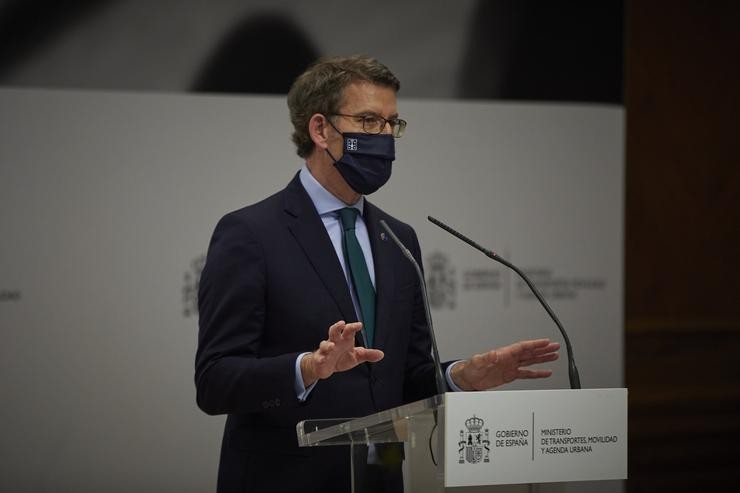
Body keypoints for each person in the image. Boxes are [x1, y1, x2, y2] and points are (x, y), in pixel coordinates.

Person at [195, 55, 559, 493]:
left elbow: (402, 379)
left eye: (392, 124)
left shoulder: (397, 238)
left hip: (379, 477)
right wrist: (306, 368)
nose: (385, 136)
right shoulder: (251, 234)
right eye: (369, 121)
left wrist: (460, 376)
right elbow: (216, 382)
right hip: (284, 479)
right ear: (320, 129)